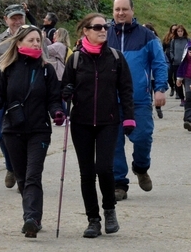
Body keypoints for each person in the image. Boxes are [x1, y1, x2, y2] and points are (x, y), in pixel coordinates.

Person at [61, 13, 135, 238]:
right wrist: (65, 94)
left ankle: (109, 210)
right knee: (87, 173)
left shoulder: (116, 57)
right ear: (86, 31)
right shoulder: (75, 59)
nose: (103, 30)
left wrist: (129, 117)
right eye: (97, 27)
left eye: (105, 26)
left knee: (104, 168)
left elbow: (126, 90)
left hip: (108, 121)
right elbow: (64, 88)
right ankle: (93, 220)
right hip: (81, 122)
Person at [0, 25, 63, 238]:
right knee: (21, 177)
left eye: (38, 40)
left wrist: (57, 112)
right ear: (19, 43)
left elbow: (54, 99)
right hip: (12, 130)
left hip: (39, 130)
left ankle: (32, 218)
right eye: (31, 40)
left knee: (32, 175)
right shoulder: (7, 68)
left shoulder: (46, 70)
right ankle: (32, 216)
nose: (36, 44)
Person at [108, 0, 168, 201]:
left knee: (143, 136)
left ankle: (141, 167)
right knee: (114, 144)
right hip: (110, 100)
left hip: (138, 99)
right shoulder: (104, 34)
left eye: (124, 9)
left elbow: (159, 62)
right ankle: (119, 184)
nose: (120, 13)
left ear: (132, 11)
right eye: (117, 9)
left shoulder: (147, 36)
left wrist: (160, 88)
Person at [0, 3, 49, 189]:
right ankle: (12, 167)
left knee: (30, 134)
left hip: (31, 94)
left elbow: (45, 61)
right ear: (6, 20)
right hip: (7, 94)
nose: (17, 21)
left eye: (20, 17)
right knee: (1, 134)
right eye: (13, 18)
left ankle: (26, 168)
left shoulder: (35, 36)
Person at [167, 25, 189, 104]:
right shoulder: (174, 40)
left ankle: (188, 97)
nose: (180, 33)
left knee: (186, 82)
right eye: (178, 31)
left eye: (181, 31)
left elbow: (190, 49)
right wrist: (173, 58)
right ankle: (181, 98)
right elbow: (171, 50)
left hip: (185, 64)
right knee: (178, 81)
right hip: (176, 63)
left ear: (184, 32)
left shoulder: (187, 40)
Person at [161, 24, 179, 98]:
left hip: (176, 59)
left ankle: (178, 92)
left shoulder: (179, 38)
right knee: (168, 76)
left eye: (175, 29)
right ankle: (172, 87)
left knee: (176, 76)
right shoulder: (167, 37)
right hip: (168, 60)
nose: (174, 31)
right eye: (173, 29)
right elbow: (163, 49)